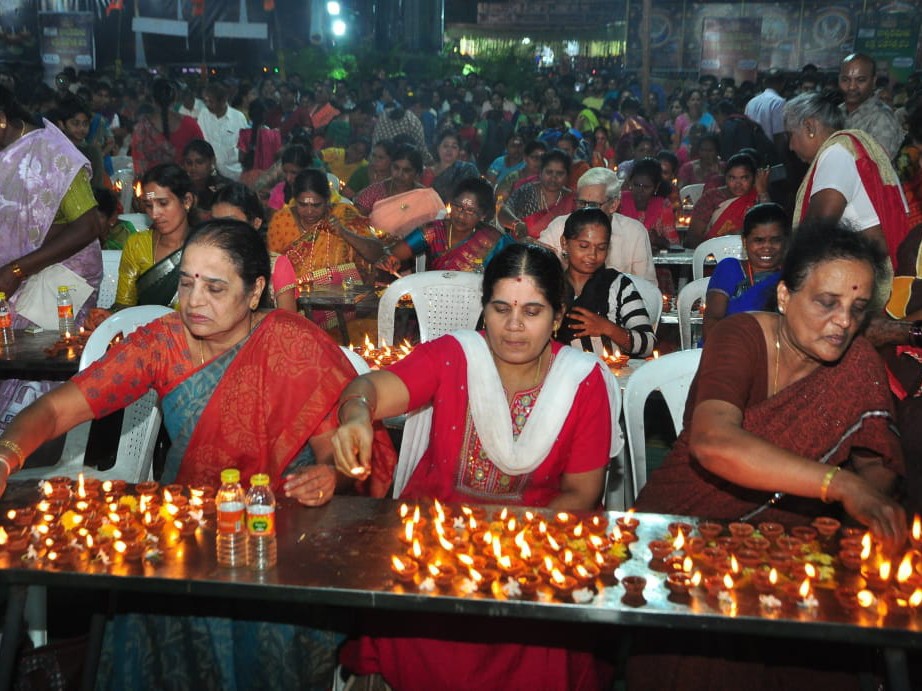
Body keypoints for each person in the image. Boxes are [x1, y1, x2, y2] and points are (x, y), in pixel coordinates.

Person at [0, 219, 396, 688]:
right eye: (186, 283)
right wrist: (7, 454)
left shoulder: (294, 343)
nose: (194, 301)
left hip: (287, 526)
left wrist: (333, 477)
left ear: (255, 292)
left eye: (214, 287)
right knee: (148, 601)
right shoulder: (162, 342)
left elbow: (343, 462)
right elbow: (54, 411)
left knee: (263, 626)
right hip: (193, 523)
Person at [332, 242, 621, 691]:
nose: (513, 326)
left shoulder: (582, 381)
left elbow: (582, 494)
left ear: (559, 317)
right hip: (437, 539)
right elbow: (371, 386)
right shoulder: (454, 356)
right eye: (501, 308)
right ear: (484, 309)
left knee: (536, 638)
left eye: (532, 311)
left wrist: (502, 547)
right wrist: (355, 414)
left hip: (535, 542)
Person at [630, 220, 906, 690]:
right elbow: (713, 440)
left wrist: (864, 515)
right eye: (826, 302)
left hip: (795, 541)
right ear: (783, 296)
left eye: (857, 308)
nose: (843, 321)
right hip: (693, 531)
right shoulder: (740, 337)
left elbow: (876, 469)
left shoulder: (857, 364)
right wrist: (836, 485)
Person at [785, 91, 909, 271]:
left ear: (810, 127)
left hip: (869, 275)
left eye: (791, 136)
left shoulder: (836, 153)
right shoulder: (849, 149)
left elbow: (817, 227)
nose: (790, 146)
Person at [270, 169, 384, 335]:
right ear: (295, 200)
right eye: (302, 204)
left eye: (316, 205)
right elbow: (272, 268)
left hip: (349, 311)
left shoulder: (344, 214)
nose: (309, 211)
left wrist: (344, 232)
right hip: (296, 313)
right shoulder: (282, 221)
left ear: (328, 200)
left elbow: (376, 253)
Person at [556, 208, 656, 357]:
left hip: (612, 375)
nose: (593, 255)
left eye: (601, 248)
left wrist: (607, 328)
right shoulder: (552, 287)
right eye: (584, 246)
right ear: (564, 243)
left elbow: (648, 344)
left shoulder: (618, 285)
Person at [539, 167, 656, 282]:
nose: (586, 210)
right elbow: (539, 270)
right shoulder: (559, 227)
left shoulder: (634, 232)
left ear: (613, 205)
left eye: (593, 205)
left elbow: (646, 287)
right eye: (581, 203)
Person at [376, 177, 512, 274]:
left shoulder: (492, 239)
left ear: (483, 215)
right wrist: (390, 260)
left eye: (470, 211)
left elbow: (510, 271)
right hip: (433, 303)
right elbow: (393, 253)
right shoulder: (433, 231)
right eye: (458, 207)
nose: (461, 215)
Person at [113, 163, 196, 309]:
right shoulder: (137, 245)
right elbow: (124, 306)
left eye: (163, 203)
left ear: (187, 201)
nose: (154, 214)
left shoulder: (206, 247)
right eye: (148, 205)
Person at [702, 203, 789, 341]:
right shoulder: (730, 269)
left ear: (786, 241)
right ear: (744, 241)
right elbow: (712, 323)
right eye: (759, 240)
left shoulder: (790, 277)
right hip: (729, 348)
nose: (767, 247)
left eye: (775, 240)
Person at [685, 153, 770, 248]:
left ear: (754, 178)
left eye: (744, 178)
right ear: (725, 178)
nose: (738, 184)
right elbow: (692, 237)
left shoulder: (757, 197)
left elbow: (769, 228)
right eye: (732, 178)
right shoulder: (712, 198)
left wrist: (762, 192)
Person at [130, 78, 204, 175]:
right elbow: (202, 156)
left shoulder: (141, 129)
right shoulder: (190, 124)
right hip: (184, 185)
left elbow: (139, 167)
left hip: (152, 187)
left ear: (153, 100)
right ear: (175, 98)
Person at [838, 53, 904, 159]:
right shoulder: (838, 111)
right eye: (845, 80)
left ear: (873, 82)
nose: (852, 87)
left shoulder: (882, 118)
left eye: (860, 80)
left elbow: (877, 166)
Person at [498, 149, 575, 239]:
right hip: (523, 248)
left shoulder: (572, 200)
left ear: (567, 176)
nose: (554, 178)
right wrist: (516, 224)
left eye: (560, 173)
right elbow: (502, 211)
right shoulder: (526, 192)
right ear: (540, 173)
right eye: (549, 172)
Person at [618, 157, 679, 252]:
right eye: (636, 185)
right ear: (630, 182)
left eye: (646, 187)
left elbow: (674, 245)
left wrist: (657, 240)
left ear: (656, 187)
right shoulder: (619, 202)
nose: (640, 191)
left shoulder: (663, 206)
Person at [353, 143, 425, 216]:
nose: (399, 174)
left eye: (406, 170)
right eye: (396, 168)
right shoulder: (376, 191)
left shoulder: (424, 197)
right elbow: (353, 218)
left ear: (417, 174)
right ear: (390, 166)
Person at [198, 81, 249, 181]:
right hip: (212, 174)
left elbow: (244, 146)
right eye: (205, 101)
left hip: (234, 174)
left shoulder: (238, 117)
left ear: (223, 101)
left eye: (211, 101)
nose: (207, 104)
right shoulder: (203, 115)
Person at [420, 130, 481, 203]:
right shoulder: (428, 173)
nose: (449, 150)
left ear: (459, 151)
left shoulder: (467, 170)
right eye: (445, 146)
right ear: (438, 148)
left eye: (454, 147)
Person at [237, 97, 282, 188]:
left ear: (250, 114)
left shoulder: (244, 134)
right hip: (269, 178)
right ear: (266, 115)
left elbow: (241, 158)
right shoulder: (275, 135)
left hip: (248, 178)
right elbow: (278, 159)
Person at [182, 139, 232, 216]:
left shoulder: (224, 188)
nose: (193, 168)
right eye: (189, 163)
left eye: (199, 162)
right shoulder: (181, 187)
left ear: (212, 161)